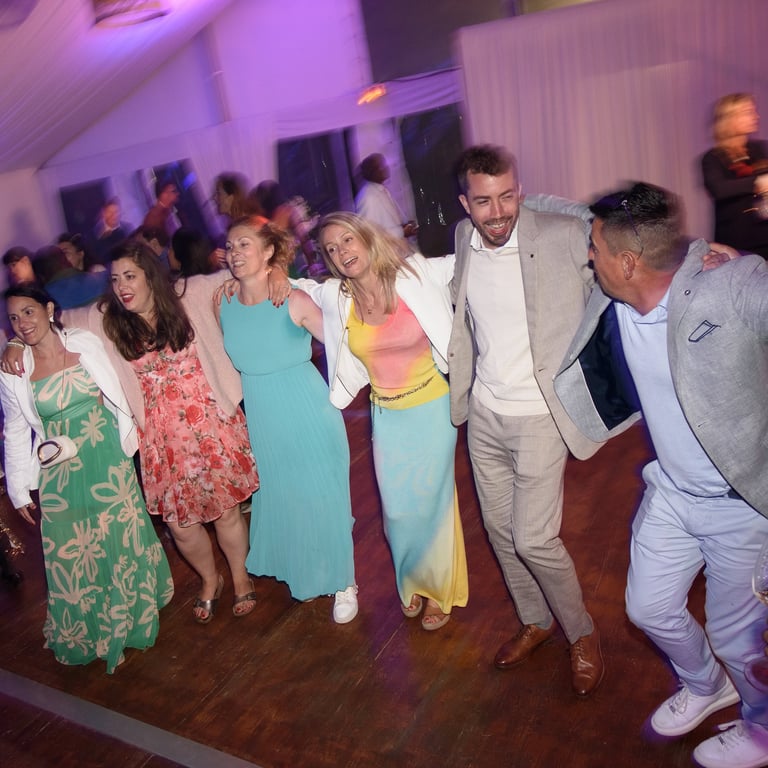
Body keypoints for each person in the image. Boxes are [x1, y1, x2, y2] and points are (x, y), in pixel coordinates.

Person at [553, 181, 768, 768]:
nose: (588, 258)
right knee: (648, 609)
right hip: (672, 491)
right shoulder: (615, 298)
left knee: (738, 638)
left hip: (739, 507)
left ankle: (761, 728)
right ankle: (706, 685)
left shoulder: (731, 286)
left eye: (596, 249)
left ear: (627, 261)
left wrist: (737, 261)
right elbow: (556, 210)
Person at [446, 145, 603, 694]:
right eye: (483, 201)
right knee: (498, 530)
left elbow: (628, 246)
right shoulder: (463, 239)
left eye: (507, 196)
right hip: (485, 413)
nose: (498, 213)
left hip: (541, 414)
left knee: (534, 538)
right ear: (465, 204)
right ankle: (535, 621)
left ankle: (581, 632)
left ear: (521, 191)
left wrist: (702, 254)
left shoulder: (562, 236)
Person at [0, 284, 173, 672]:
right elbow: (15, 429)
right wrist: (18, 490)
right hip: (57, 467)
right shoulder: (13, 369)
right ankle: (88, 627)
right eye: (13, 318)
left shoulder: (83, 340)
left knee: (117, 534)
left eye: (28, 312)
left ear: (48, 309)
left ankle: (130, 616)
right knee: (71, 547)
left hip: (105, 453)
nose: (22, 323)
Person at [313, 211, 468, 631]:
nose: (342, 252)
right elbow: (295, 288)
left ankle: (438, 590)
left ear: (366, 238)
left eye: (347, 240)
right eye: (332, 249)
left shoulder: (413, 273)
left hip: (432, 408)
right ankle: (411, 578)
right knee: (397, 511)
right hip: (385, 415)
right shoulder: (338, 296)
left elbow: (466, 261)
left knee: (432, 503)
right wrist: (270, 279)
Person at [99, 240, 260, 623]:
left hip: (211, 427)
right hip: (162, 443)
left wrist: (261, 276)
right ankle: (210, 579)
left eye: (130, 276)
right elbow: (57, 322)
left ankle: (240, 576)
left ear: (150, 277)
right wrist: (16, 342)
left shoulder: (190, 296)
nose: (122, 286)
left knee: (226, 513)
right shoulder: (110, 323)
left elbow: (239, 277)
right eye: (115, 279)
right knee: (180, 526)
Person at [219, 217, 358, 623]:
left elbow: (346, 342)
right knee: (290, 499)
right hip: (263, 418)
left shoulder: (293, 298)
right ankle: (310, 572)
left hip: (306, 410)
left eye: (245, 244)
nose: (234, 253)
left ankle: (345, 582)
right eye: (230, 246)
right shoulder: (222, 301)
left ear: (268, 252)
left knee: (323, 495)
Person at [701, 92, 768, 258]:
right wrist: (757, 182)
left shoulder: (760, 150)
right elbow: (719, 189)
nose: (756, 116)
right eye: (747, 112)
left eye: (754, 111)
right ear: (729, 119)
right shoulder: (713, 158)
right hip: (738, 245)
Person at [355, 153, 418, 243]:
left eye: (385, 164)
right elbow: (370, 234)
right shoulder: (368, 197)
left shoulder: (381, 190)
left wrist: (407, 225)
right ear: (371, 172)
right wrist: (402, 232)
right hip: (389, 250)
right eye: (381, 166)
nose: (386, 167)